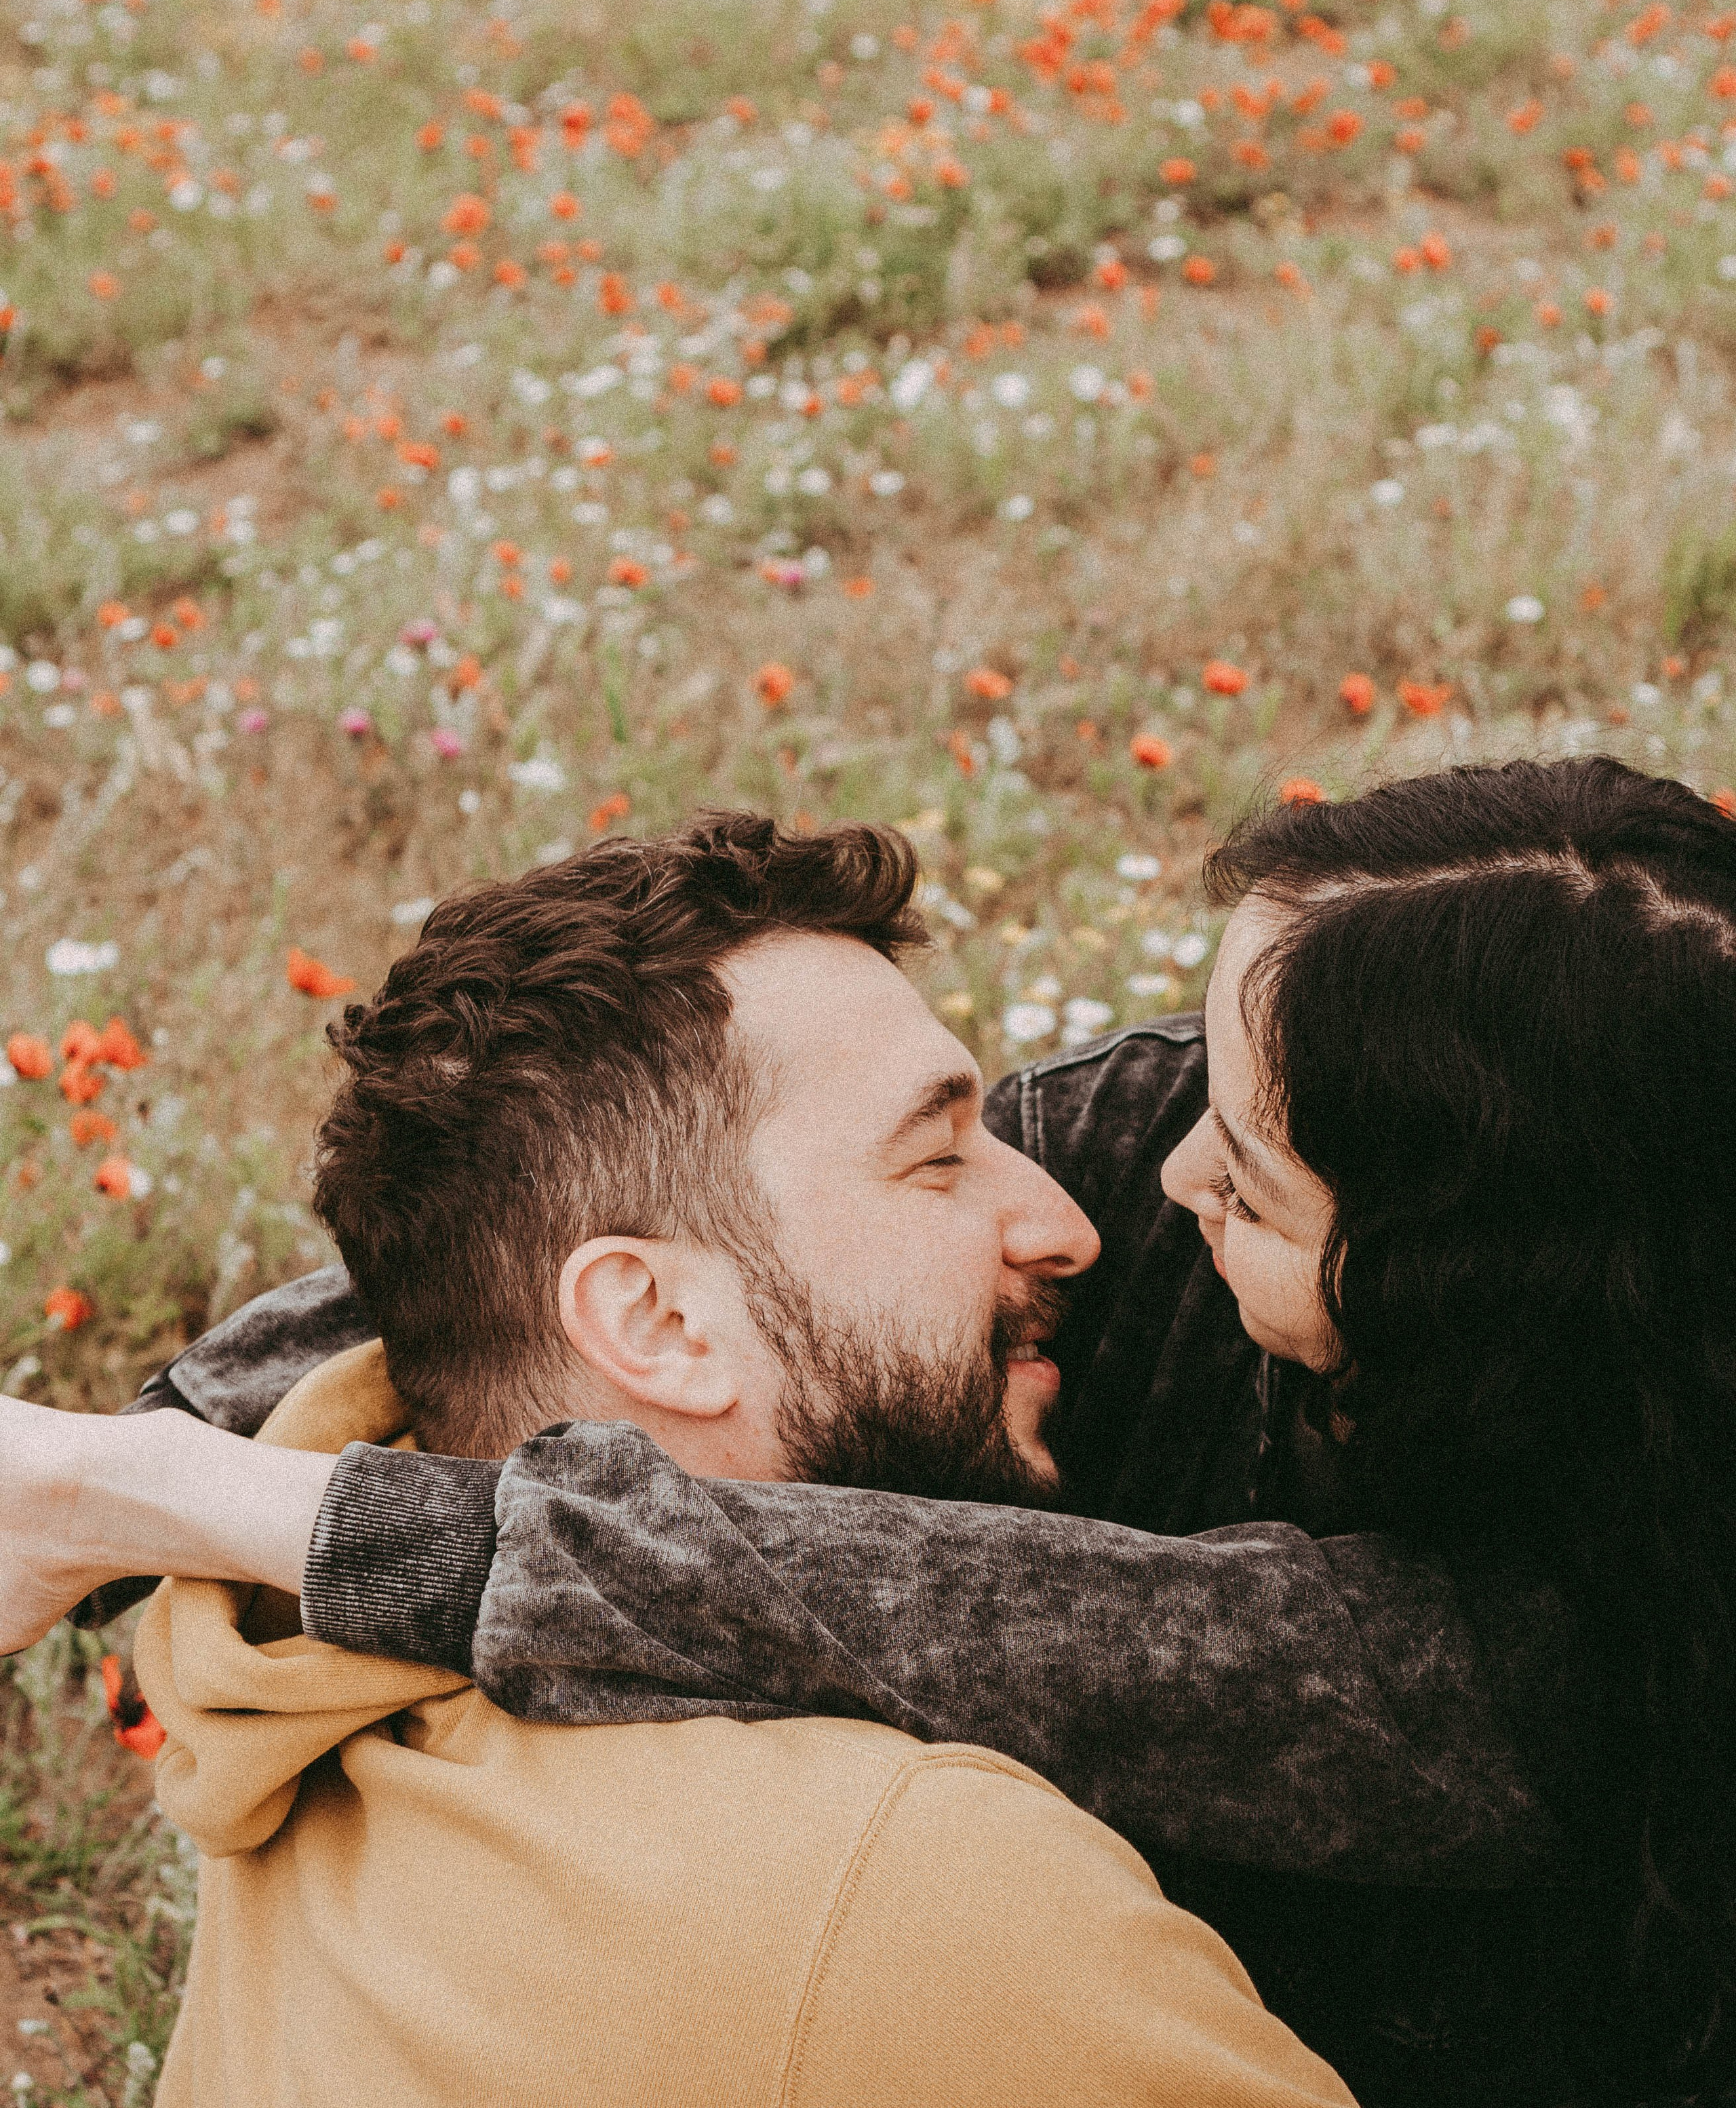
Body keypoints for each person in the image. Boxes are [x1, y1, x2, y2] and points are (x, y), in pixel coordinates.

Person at [11, 756, 1735, 2099]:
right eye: (1196, 1085)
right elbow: (582, 1220)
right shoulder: (1261, 1142)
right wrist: (144, 1427)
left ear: (1471, 1304)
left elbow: (1023, 1628)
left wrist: (180, 1493)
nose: (1141, 1186)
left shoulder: (1567, 1659)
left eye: (1258, 1187)